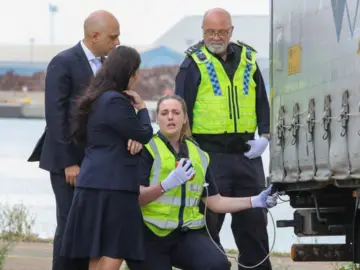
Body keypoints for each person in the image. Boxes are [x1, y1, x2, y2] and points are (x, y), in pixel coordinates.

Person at [27, 10, 144, 270]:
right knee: (70, 226)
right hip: (69, 162)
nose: (117, 42)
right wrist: (69, 162)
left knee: (90, 229)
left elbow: (113, 114)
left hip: (97, 164)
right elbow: (55, 117)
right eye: (113, 37)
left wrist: (131, 138)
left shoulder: (108, 67)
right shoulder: (63, 62)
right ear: (95, 35)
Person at [125, 94, 278, 270]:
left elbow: (216, 202)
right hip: (149, 236)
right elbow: (136, 197)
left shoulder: (198, 154)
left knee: (217, 265)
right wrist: (166, 185)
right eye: (164, 113)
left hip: (185, 235)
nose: (170, 117)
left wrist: (256, 201)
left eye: (175, 112)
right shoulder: (147, 149)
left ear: (185, 118)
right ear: (157, 119)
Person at [174, 7, 272, 270]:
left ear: (231, 31)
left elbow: (261, 100)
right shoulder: (193, 63)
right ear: (203, 32)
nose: (215, 37)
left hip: (246, 155)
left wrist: (265, 135)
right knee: (208, 224)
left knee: (254, 224)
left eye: (220, 31)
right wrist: (185, 152)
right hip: (208, 155)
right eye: (209, 32)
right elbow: (180, 108)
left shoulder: (249, 60)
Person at [60, 45, 153, 270]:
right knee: (117, 249)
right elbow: (144, 133)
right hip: (114, 186)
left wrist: (134, 138)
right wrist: (141, 108)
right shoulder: (114, 101)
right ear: (128, 72)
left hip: (95, 183)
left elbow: (125, 135)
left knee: (97, 251)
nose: (137, 76)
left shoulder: (97, 99)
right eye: (136, 71)